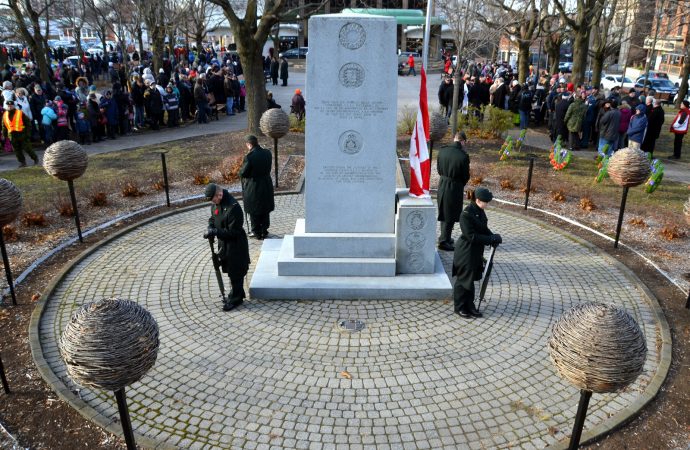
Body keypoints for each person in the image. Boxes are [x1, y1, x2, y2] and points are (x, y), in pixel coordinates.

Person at [452, 187, 501, 318]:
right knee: (463, 280)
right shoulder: (466, 214)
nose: (488, 204)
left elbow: (483, 228)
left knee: (471, 280)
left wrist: (493, 237)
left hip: (475, 253)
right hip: (466, 253)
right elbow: (471, 236)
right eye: (486, 201)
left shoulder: (479, 210)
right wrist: (490, 239)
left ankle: (470, 306)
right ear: (478, 200)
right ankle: (459, 307)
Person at [204, 183, 250, 311]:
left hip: (235, 245)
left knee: (236, 272)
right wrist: (211, 226)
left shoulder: (233, 207)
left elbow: (234, 232)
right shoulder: (217, 203)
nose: (212, 202)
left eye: (213, 199)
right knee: (230, 270)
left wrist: (216, 232)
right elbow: (213, 218)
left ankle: (236, 299)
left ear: (219, 194)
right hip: (224, 244)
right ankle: (237, 293)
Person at [436, 132, 470, 251]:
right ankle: (444, 242)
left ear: (454, 139)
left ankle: (445, 237)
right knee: (450, 214)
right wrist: (460, 183)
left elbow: (439, 169)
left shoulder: (442, 151)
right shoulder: (463, 156)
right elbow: (465, 176)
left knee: (444, 212)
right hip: (455, 186)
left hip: (442, 184)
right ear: (463, 141)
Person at [240, 135, 275, 239]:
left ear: (249, 145)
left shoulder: (249, 157)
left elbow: (243, 173)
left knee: (254, 209)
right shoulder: (267, 153)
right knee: (264, 207)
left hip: (254, 186)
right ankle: (264, 229)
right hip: (266, 183)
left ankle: (256, 232)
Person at [2, 100, 38, 167]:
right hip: (12, 135)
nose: (9, 107)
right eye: (8, 106)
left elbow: (28, 124)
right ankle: (22, 162)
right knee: (17, 150)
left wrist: (27, 134)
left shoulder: (20, 113)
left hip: (22, 134)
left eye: (11, 105)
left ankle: (35, 159)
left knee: (27, 148)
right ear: (6, 106)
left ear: (14, 106)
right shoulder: (5, 115)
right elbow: (4, 126)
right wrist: (4, 135)